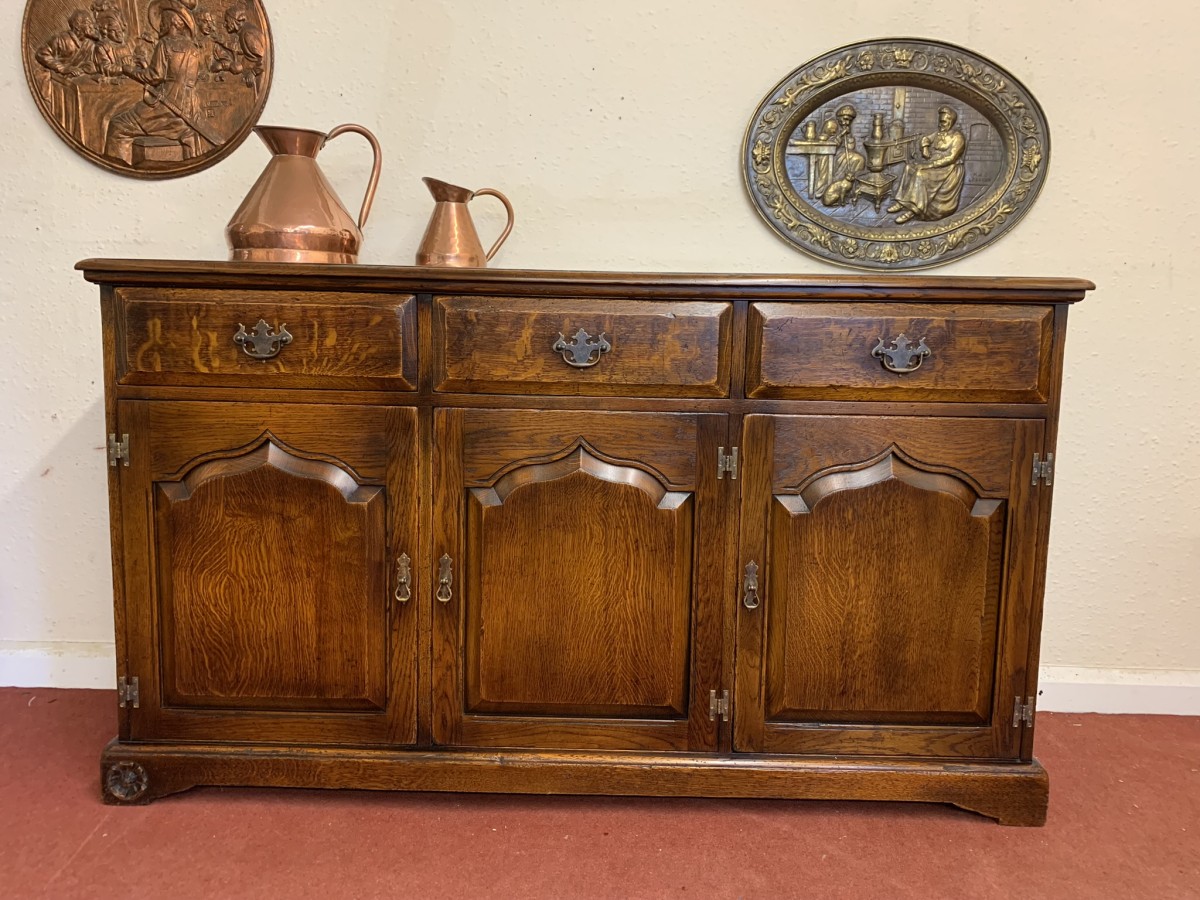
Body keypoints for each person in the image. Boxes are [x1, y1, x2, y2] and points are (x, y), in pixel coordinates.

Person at [103, 0, 203, 165]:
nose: (160, 23)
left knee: (118, 125)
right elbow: (180, 74)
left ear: (171, 22)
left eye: (163, 19)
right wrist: (144, 66)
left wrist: (128, 69)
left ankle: (117, 166)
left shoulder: (165, 44)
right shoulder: (192, 47)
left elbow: (154, 76)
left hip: (167, 105)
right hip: (189, 104)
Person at [888, 106, 967, 223]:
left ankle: (914, 210)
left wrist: (930, 165)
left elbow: (951, 158)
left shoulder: (957, 137)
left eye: (944, 122)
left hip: (948, 168)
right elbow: (925, 139)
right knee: (909, 167)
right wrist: (925, 148)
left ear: (951, 121)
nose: (940, 125)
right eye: (940, 122)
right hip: (933, 163)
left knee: (920, 174)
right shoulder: (939, 133)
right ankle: (902, 202)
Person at [33, 9, 99, 134]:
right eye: (88, 23)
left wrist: (88, 67)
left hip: (76, 81)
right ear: (78, 26)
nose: (92, 26)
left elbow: (90, 63)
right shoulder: (61, 39)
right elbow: (41, 54)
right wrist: (63, 68)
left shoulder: (89, 44)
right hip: (56, 81)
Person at [820, 105, 866, 207]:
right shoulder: (831, 124)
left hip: (843, 153)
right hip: (831, 154)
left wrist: (849, 137)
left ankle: (852, 188)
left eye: (850, 120)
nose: (847, 122)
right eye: (845, 119)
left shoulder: (847, 128)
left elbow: (850, 147)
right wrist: (840, 135)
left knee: (860, 159)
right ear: (840, 117)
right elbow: (824, 141)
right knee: (858, 158)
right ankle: (840, 186)